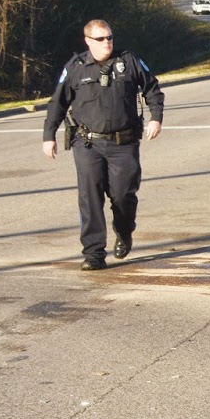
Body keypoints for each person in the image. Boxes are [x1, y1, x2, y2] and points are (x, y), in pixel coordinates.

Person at [42, 20, 165, 270]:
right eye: (100, 39)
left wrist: (156, 118)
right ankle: (94, 254)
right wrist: (49, 135)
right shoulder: (76, 67)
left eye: (109, 37)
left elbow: (152, 89)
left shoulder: (128, 61)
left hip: (124, 143)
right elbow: (58, 103)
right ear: (88, 41)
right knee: (90, 198)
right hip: (88, 144)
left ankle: (124, 230)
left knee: (123, 196)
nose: (107, 42)